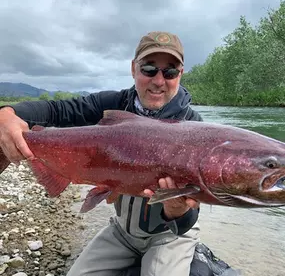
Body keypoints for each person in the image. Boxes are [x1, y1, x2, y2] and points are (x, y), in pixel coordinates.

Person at [0, 31, 209, 276]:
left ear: (180, 74)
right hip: (122, 231)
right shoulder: (112, 104)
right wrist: (8, 113)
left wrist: (176, 211)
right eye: (149, 69)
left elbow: (188, 219)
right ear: (134, 69)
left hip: (170, 237)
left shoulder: (194, 129)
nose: (159, 80)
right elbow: (57, 110)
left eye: (170, 71)